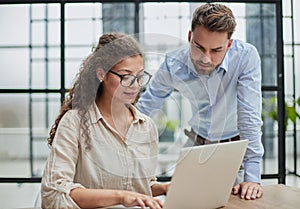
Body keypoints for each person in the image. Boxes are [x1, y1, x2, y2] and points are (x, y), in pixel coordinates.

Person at [136, 3, 264, 200]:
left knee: (237, 201)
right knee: (183, 201)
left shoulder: (246, 57)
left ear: (229, 45)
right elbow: (146, 107)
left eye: (216, 50)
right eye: (199, 47)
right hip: (196, 143)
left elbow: (249, 115)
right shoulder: (173, 64)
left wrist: (253, 176)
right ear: (190, 37)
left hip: (234, 148)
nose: (206, 58)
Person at [41, 33, 168, 209]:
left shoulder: (146, 126)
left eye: (139, 76)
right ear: (102, 74)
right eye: (125, 76)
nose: (135, 85)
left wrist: (163, 188)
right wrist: (120, 197)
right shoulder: (74, 123)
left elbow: (139, 189)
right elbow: (54, 192)